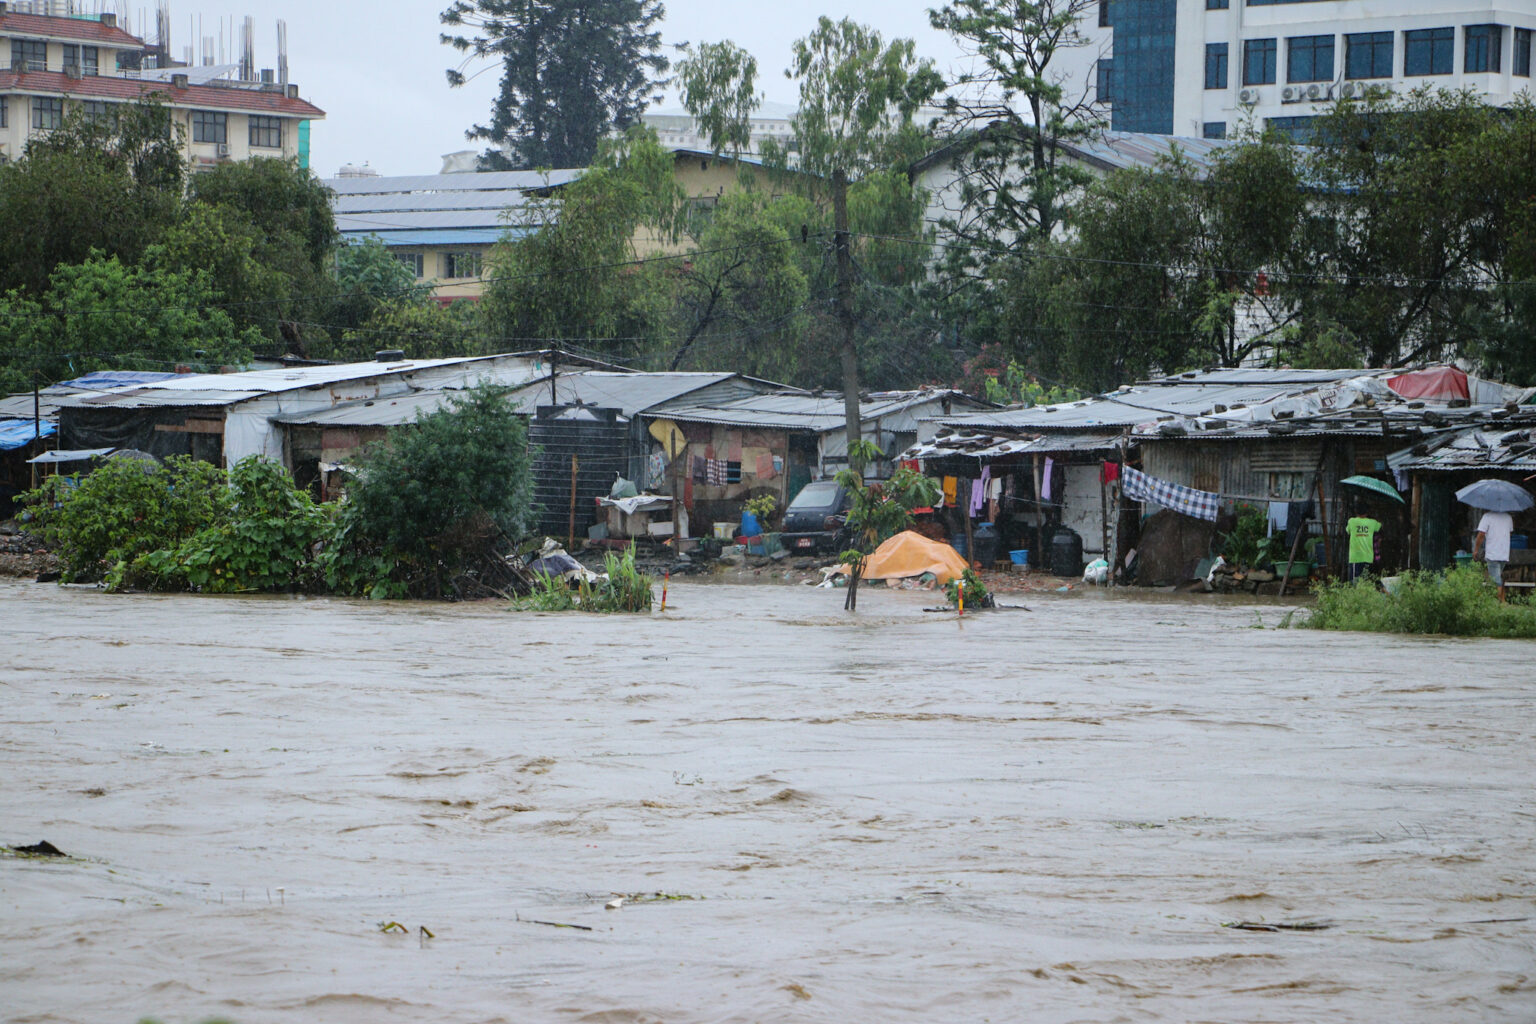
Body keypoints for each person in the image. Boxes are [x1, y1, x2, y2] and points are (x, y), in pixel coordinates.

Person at [1473, 508, 1514, 602]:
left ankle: (1500, 602)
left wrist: (1476, 550)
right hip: (1504, 553)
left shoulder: (1487, 517)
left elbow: (1481, 534)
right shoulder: (1508, 517)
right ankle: (1501, 601)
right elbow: (1509, 533)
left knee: (1496, 580)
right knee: (1497, 577)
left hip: (1492, 553)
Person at [1345, 506, 1382, 583]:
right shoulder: (1373, 522)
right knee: (1366, 580)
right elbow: (1379, 526)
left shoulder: (1351, 521)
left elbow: (1347, 531)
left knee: (1354, 581)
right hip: (1368, 557)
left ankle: (1355, 594)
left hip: (1355, 557)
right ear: (1367, 513)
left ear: (1356, 512)